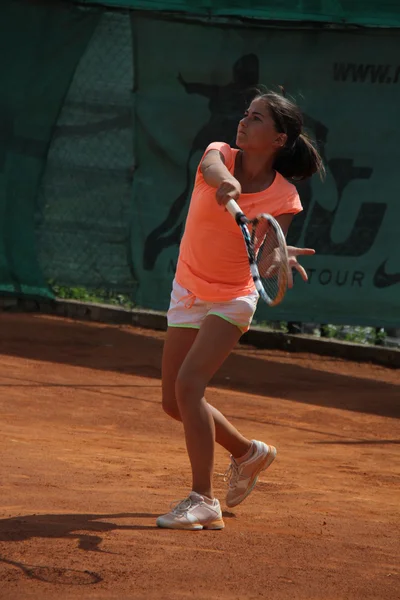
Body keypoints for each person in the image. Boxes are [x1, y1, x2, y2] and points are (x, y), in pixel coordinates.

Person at [156, 90, 325, 530]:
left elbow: (267, 256)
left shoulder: (285, 195)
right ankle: (248, 453)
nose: (243, 122)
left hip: (233, 296)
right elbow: (213, 171)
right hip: (188, 287)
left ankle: (203, 500)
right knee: (173, 403)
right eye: (246, 114)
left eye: (257, 118)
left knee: (189, 384)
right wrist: (227, 185)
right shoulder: (219, 156)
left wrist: (280, 260)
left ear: (278, 138)